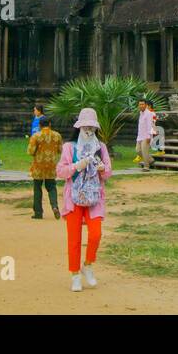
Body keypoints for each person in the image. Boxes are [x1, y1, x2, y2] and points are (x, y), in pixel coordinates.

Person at [56, 107, 113, 292]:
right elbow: (60, 172)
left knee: (96, 234)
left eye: (92, 127)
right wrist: (76, 165)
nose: (88, 130)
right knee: (74, 239)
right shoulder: (69, 147)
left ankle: (87, 264)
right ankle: (75, 275)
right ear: (79, 127)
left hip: (94, 197)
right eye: (85, 126)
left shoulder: (101, 148)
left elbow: (108, 174)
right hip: (73, 198)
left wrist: (102, 169)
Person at [28, 115, 61, 220]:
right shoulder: (57, 136)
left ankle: (38, 212)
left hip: (38, 166)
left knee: (37, 188)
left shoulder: (36, 136)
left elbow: (30, 151)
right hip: (51, 166)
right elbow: (60, 150)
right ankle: (54, 206)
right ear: (50, 124)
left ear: (40, 125)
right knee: (51, 187)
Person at [134, 98, 156, 170]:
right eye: (140, 104)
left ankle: (146, 166)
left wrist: (149, 137)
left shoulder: (149, 113)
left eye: (142, 104)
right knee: (138, 150)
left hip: (146, 136)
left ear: (146, 105)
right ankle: (150, 160)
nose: (141, 106)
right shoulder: (140, 113)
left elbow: (150, 125)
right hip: (140, 136)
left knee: (144, 151)